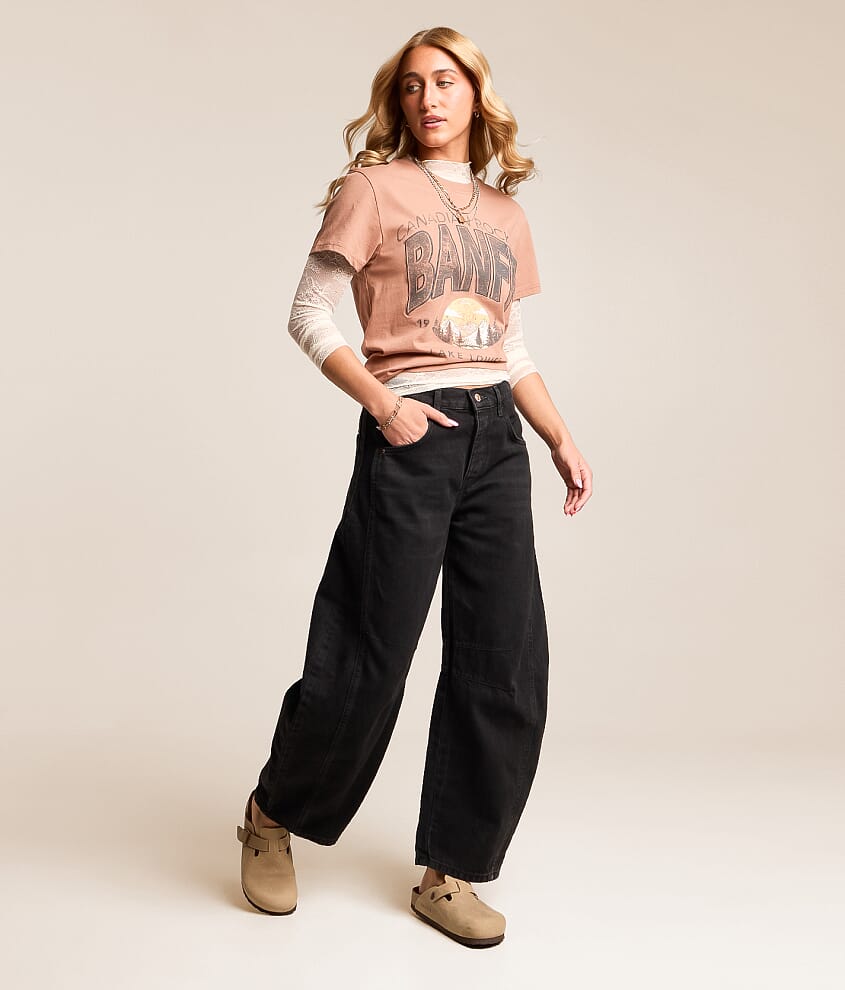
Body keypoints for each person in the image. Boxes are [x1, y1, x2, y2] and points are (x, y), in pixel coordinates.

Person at [236, 25, 593, 948]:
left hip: (497, 440)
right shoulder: (371, 190)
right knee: (368, 653)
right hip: (412, 431)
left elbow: (508, 345)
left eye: (444, 81)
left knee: (502, 661)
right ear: (396, 101)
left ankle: (450, 873)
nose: (427, 99)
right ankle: (272, 816)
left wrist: (556, 433)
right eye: (409, 86)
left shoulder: (505, 214)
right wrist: (383, 403)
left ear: (475, 93)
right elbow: (308, 312)